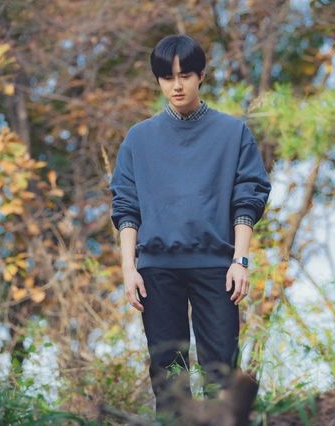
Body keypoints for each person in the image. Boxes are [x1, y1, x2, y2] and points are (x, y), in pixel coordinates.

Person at [109, 34, 271, 417]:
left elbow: (248, 197)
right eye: (167, 77)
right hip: (156, 269)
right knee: (169, 377)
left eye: (184, 75)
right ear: (158, 80)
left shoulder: (232, 133)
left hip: (217, 266)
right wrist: (129, 268)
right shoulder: (139, 139)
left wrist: (240, 260)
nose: (176, 86)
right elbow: (126, 207)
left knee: (221, 372)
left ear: (201, 75)